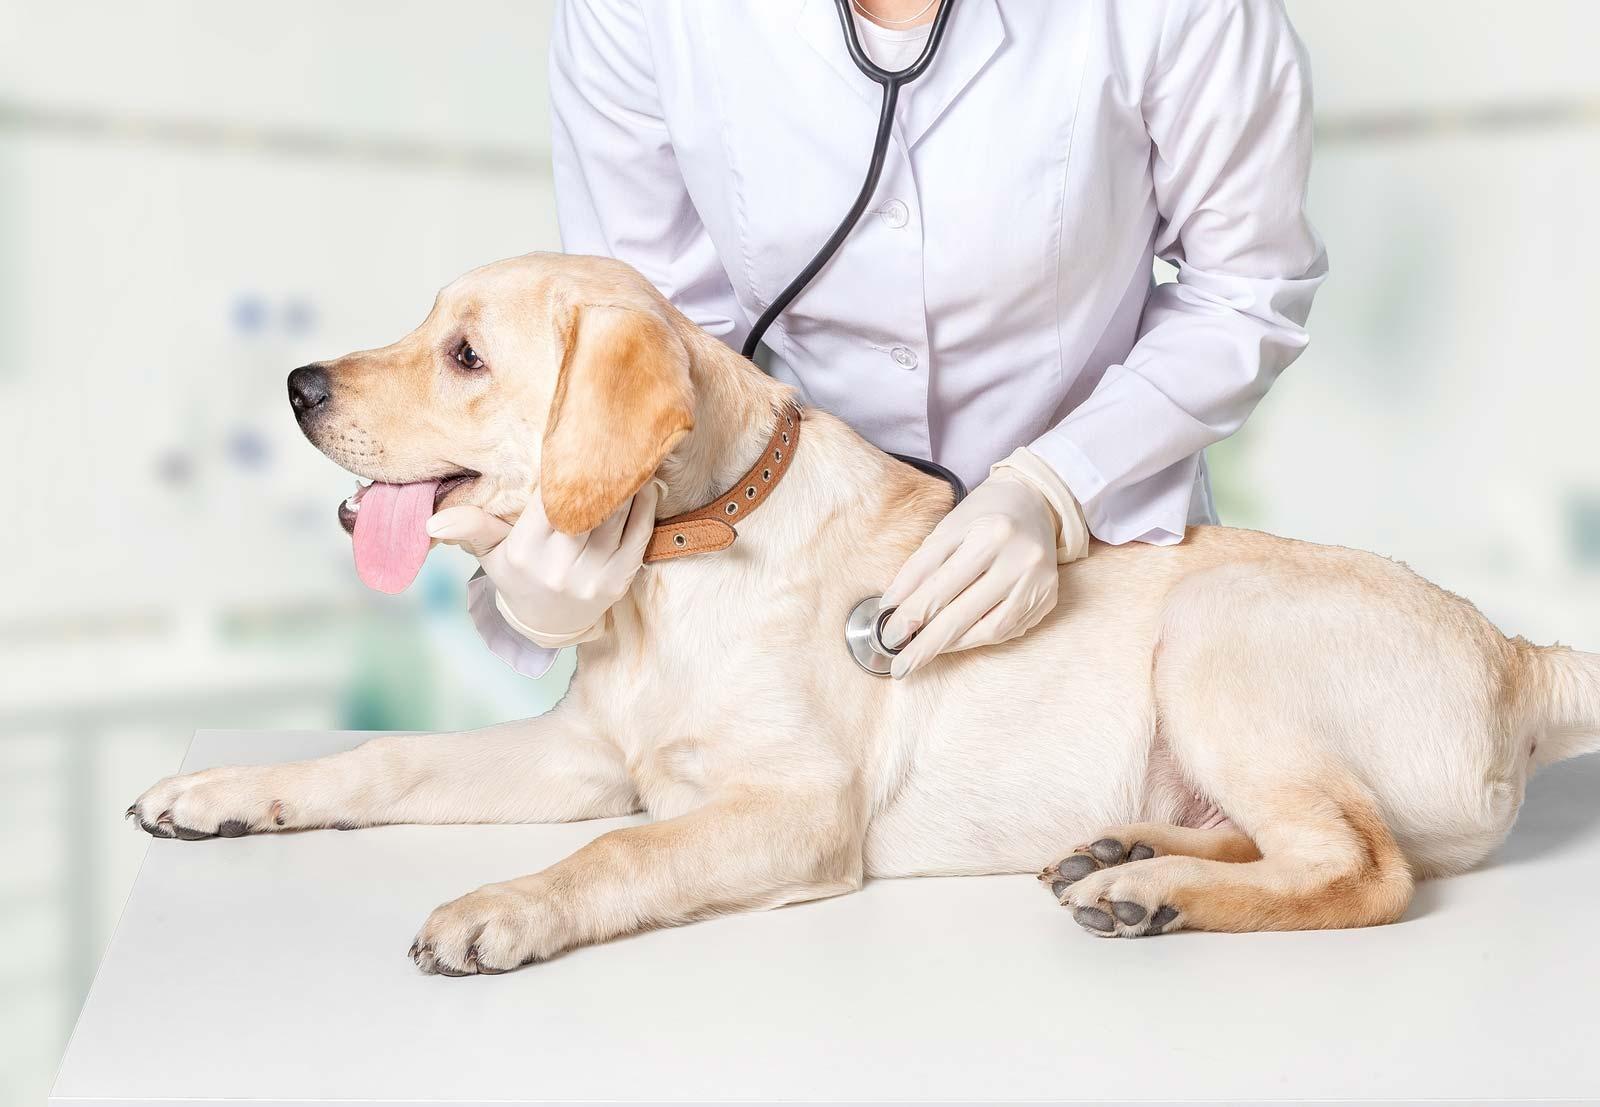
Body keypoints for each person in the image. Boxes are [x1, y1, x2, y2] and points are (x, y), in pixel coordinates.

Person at [427, 0, 1327, 680]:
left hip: (1107, 576)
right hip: (780, 585)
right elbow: (650, 348)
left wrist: (1060, 484)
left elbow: (1246, 287)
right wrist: (557, 585)